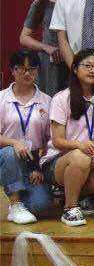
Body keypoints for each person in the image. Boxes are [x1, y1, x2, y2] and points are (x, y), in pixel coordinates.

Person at [42, 49, 94, 226]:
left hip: (88, 158)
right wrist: (80, 145)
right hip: (57, 160)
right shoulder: (62, 98)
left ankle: (79, 197)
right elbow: (58, 141)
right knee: (80, 157)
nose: (92, 70)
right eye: (87, 65)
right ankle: (70, 208)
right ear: (75, 68)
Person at [0, 51, 53, 224]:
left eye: (32, 68)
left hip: (33, 161)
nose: (27, 73)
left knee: (40, 205)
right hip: (5, 158)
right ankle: (15, 204)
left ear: (38, 71)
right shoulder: (1, 99)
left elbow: (50, 140)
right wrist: (14, 142)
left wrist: (38, 166)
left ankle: (20, 198)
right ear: (12, 70)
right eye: (21, 68)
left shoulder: (47, 101)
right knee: (9, 152)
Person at [20, 0, 74, 95]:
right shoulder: (40, 3)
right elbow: (24, 38)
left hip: (75, 59)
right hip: (49, 62)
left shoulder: (80, 2)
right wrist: (46, 47)